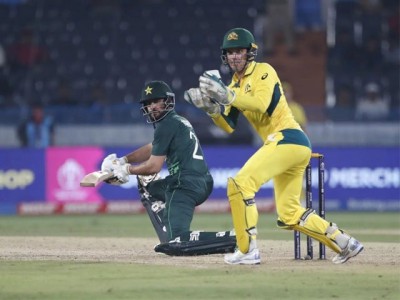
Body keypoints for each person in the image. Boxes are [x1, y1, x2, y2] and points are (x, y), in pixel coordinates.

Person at [184, 27, 364, 265]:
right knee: (289, 214)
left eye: (239, 51)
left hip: (288, 138)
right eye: (230, 53)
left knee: (239, 185)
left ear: (250, 53)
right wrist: (211, 109)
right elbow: (228, 125)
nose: (234, 56)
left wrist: (227, 96)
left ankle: (247, 250)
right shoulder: (234, 87)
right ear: (224, 57)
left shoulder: (264, 71)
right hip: (288, 147)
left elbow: (261, 104)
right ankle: (344, 242)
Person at [101, 80, 236, 256]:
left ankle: (232, 236)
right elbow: (152, 148)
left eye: (156, 101)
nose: (152, 107)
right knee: (148, 185)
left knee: (178, 240)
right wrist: (124, 159)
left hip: (185, 184)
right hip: (195, 181)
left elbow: (154, 166)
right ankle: (166, 224)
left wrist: (127, 170)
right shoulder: (176, 121)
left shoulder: (166, 125)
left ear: (167, 101)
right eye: (148, 104)